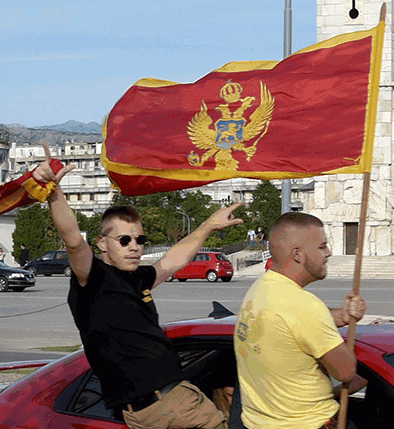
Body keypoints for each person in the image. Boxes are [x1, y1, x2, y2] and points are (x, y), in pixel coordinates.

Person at [32, 144, 243, 429]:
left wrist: (208, 225)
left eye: (139, 240)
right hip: (168, 405)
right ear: (102, 243)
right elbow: (71, 238)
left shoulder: (138, 277)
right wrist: (54, 192)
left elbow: (173, 260)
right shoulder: (93, 277)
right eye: (124, 240)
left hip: (160, 406)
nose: (135, 247)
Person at [236, 212, 367, 429]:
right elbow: (345, 371)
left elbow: (290, 325)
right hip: (309, 423)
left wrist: (343, 316)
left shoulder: (259, 290)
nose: (329, 253)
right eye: (322, 246)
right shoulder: (303, 305)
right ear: (298, 254)